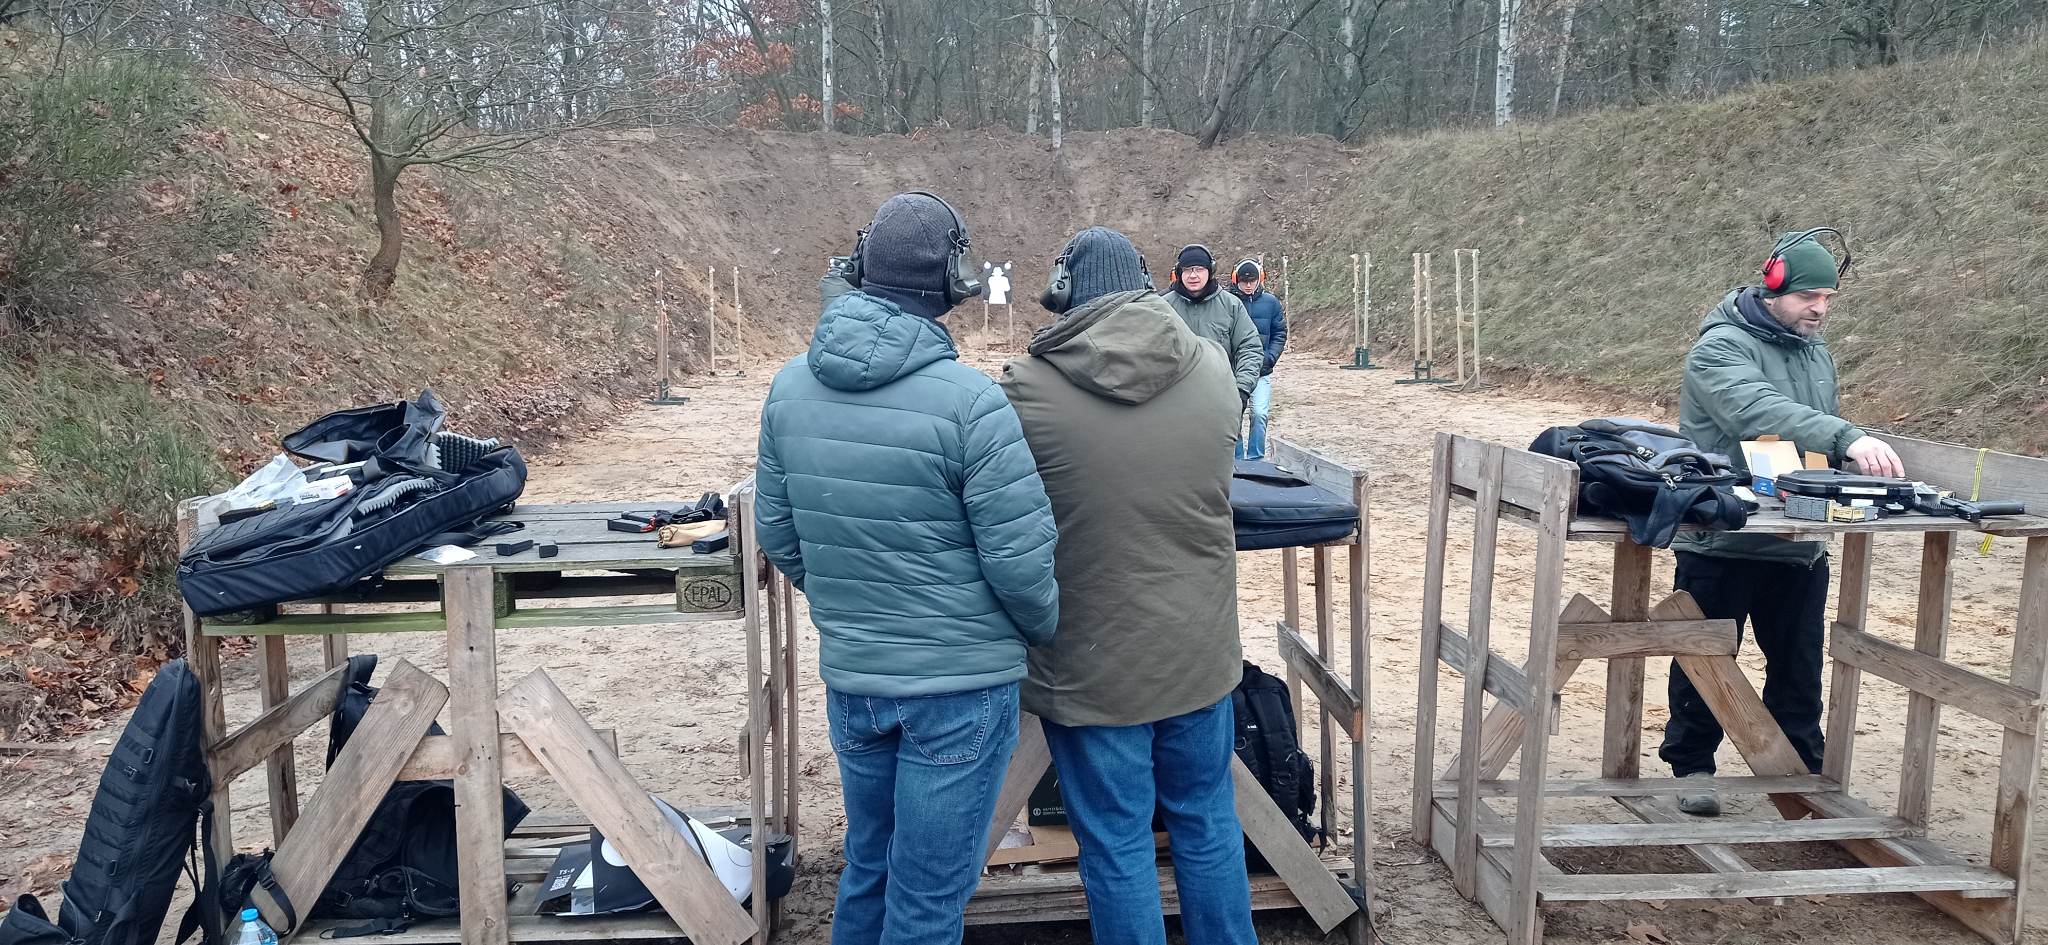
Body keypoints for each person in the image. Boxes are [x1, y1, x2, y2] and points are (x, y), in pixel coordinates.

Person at [754, 192, 1060, 944]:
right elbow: (1021, 564)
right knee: (927, 900)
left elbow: (779, 534)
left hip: (857, 681)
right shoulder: (973, 402)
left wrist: (851, 604)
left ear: (861, 267)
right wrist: (1039, 631)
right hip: (959, 686)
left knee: (869, 867)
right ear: (952, 278)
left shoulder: (788, 389)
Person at [1001, 227, 1255, 945]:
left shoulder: (1026, 390)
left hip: (1092, 667)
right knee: (1208, 824)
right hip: (1199, 655)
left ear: (1063, 292)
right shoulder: (1212, 368)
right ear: (1146, 283)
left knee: (1116, 844)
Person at [1667, 228, 1904, 817]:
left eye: (1828, 298)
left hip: (1798, 540)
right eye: (1808, 297)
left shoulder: (1815, 350)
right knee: (1705, 660)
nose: (1820, 309)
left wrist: (1843, 463)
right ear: (1772, 288)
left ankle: (1802, 781)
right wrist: (1849, 438)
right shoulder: (1719, 349)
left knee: (1799, 672)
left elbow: (1812, 429)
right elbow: (1756, 410)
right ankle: (1692, 767)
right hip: (1723, 538)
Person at [1162, 243, 1263, 405]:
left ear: (1210, 271)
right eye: (1187, 270)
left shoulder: (1231, 305)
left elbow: (1249, 347)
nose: (1193, 275)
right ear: (1179, 273)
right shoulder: (1162, 306)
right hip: (1174, 399)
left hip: (1222, 396)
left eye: (1199, 269)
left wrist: (1242, 389)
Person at [1228, 258, 1288, 460]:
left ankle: (1256, 458)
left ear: (1259, 279)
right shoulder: (1227, 302)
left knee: (1260, 414)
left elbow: (1279, 333)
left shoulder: (1271, 303)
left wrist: (1270, 357)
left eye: (1252, 281)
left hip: (1262, 370)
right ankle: (1237, 459)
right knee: (1233, 416)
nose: (1248, 285)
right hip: (1233, 371)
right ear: (1236, 280)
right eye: (1244, 281)